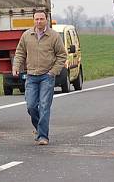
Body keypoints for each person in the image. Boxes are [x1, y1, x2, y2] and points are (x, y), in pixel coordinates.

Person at [12, 10, 67, 145]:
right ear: (33, 20)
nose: (39, 22)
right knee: (31, 106)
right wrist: (16, 66)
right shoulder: (26, 35)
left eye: (41, 19)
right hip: (31, 76)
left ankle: (43, 136)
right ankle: (39, 128)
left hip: (46, 76)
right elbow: (20, 53)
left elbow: (62, 55)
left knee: (44, 106)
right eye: (36, 19)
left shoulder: (53, 36)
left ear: (46, 20)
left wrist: (53, 72)